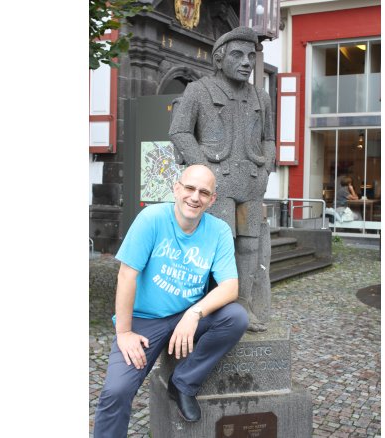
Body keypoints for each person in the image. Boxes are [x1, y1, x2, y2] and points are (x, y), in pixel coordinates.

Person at [93, 165, 248, 437]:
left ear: (212, 200)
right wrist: (124, 332)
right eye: (189, 188)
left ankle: (184, 383)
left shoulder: (219, 230)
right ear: (176, 189)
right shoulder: (151, 218)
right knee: (116, 392)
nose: (194, 197)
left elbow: (230, 286)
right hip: (144, 320)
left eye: (203, 192)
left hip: (185, 314)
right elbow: (127, 275)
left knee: (235, 317)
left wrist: (194, 314)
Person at [168, 26, 275, 332]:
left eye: (250, 56)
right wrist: (204, 172)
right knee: (220, 243)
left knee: (250, 248)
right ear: (219, 59)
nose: (246, 62)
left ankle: (243, 307)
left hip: (252, 183)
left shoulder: (261, 97)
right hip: (218, 186)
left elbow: (269, 139)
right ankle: (215, 308)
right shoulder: (199, 91)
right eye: (238, 55)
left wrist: (266, 166)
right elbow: (179, 131)